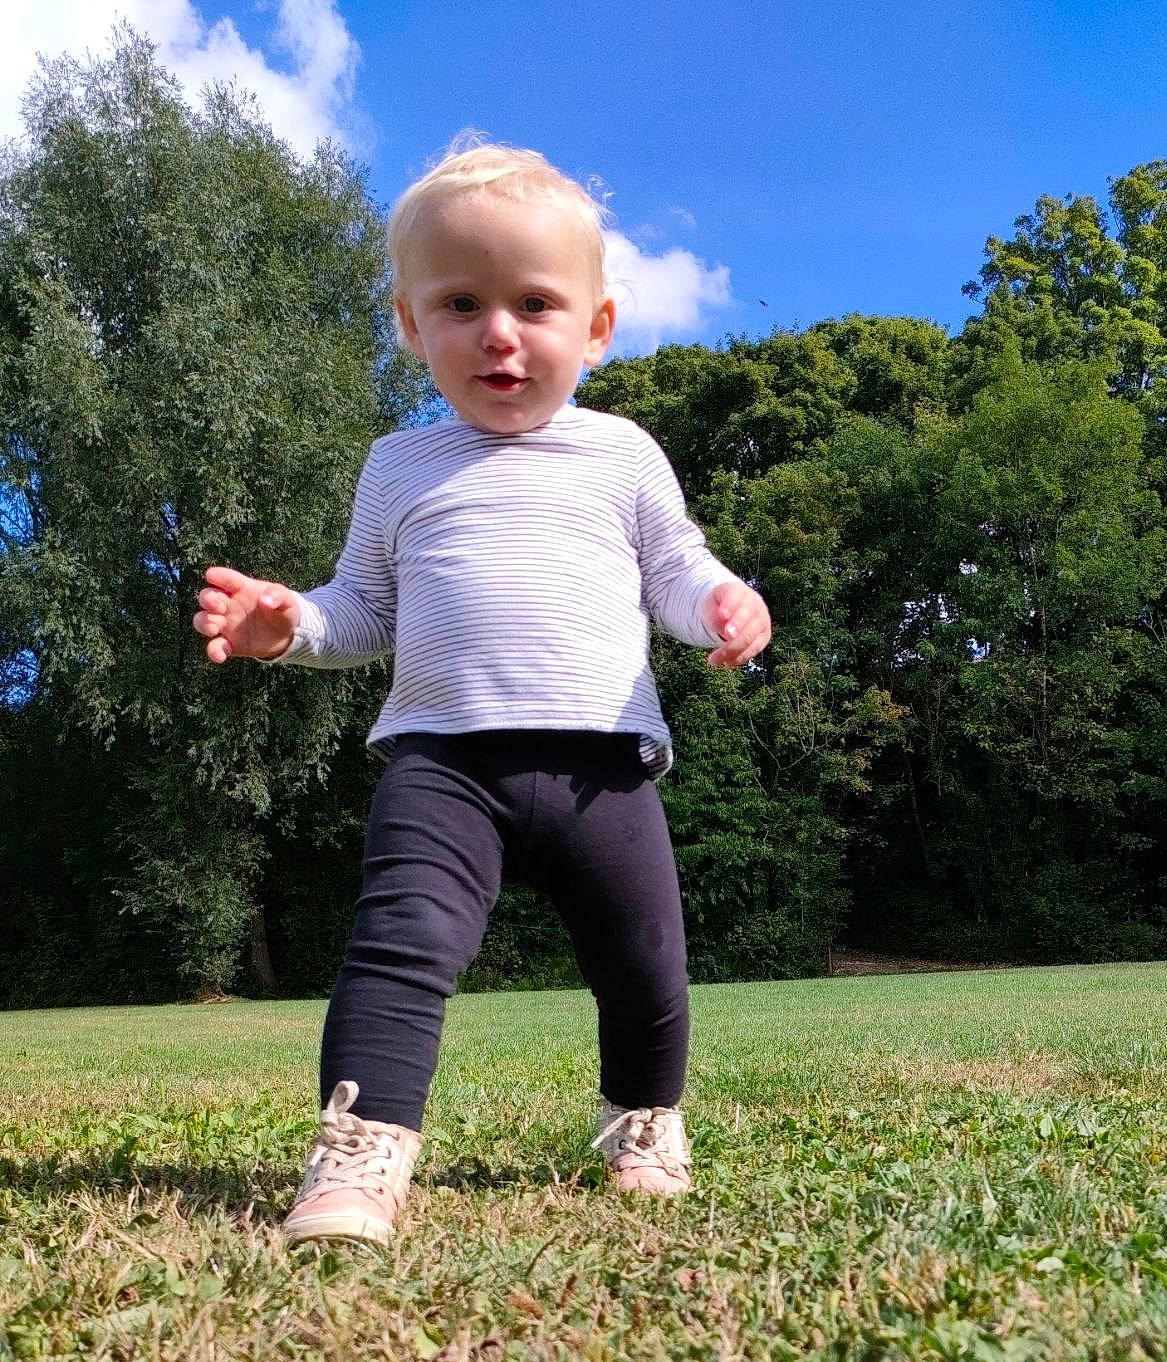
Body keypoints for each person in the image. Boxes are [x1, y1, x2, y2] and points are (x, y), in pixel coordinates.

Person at [193, 142, 771, 1245]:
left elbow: (677, 572)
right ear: (412, 326)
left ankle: (644, 1125)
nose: (498, 331)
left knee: (645, 962)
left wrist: (723, 606)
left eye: (534, 303)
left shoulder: (622, 454)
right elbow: (363, 608)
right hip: (443, 762)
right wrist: (288, 626)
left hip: (605, 763)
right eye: (461, 302)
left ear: (596, 328)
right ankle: (358, 1161)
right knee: (398, 944)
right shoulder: (399, 465)